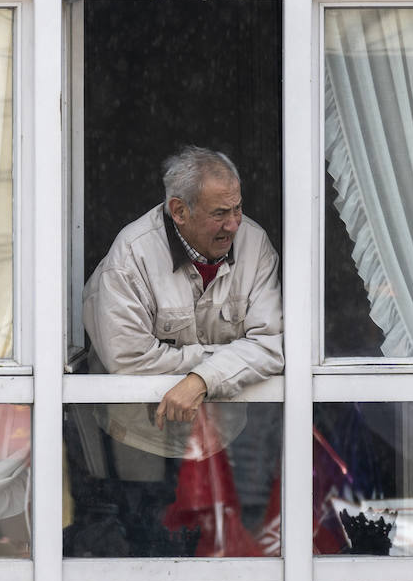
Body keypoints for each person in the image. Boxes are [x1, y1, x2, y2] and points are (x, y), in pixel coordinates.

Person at [66, 146, 283, 556]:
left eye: (237, 208)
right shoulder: (130, 257)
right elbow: (128, 360)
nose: (234, 224)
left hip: (220, 443)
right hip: (133, 443)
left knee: (217, 559)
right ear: (178, 211)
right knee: (141, 557)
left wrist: (202, 380)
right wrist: (225, 360)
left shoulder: (255, 244)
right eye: (220, 213)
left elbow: (272, 344)